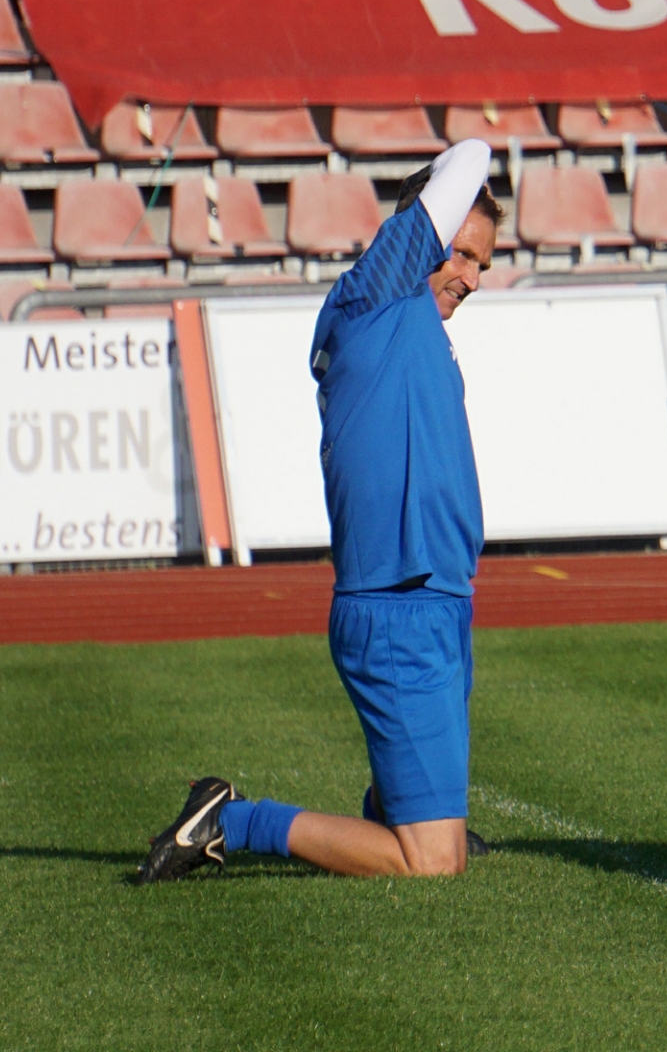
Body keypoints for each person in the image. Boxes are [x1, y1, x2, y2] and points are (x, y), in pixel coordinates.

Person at [140, 137, 500, 882]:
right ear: (420, 232)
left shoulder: (407, 324)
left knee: (435, 832)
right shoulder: (381, 291)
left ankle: (392, 812)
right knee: (433, 863)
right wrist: (427, 201)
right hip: (401, 608)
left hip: (435, 600)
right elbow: (473, 153)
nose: (471, 279)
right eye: (462, 254)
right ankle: (232, 820)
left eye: (483, 265)